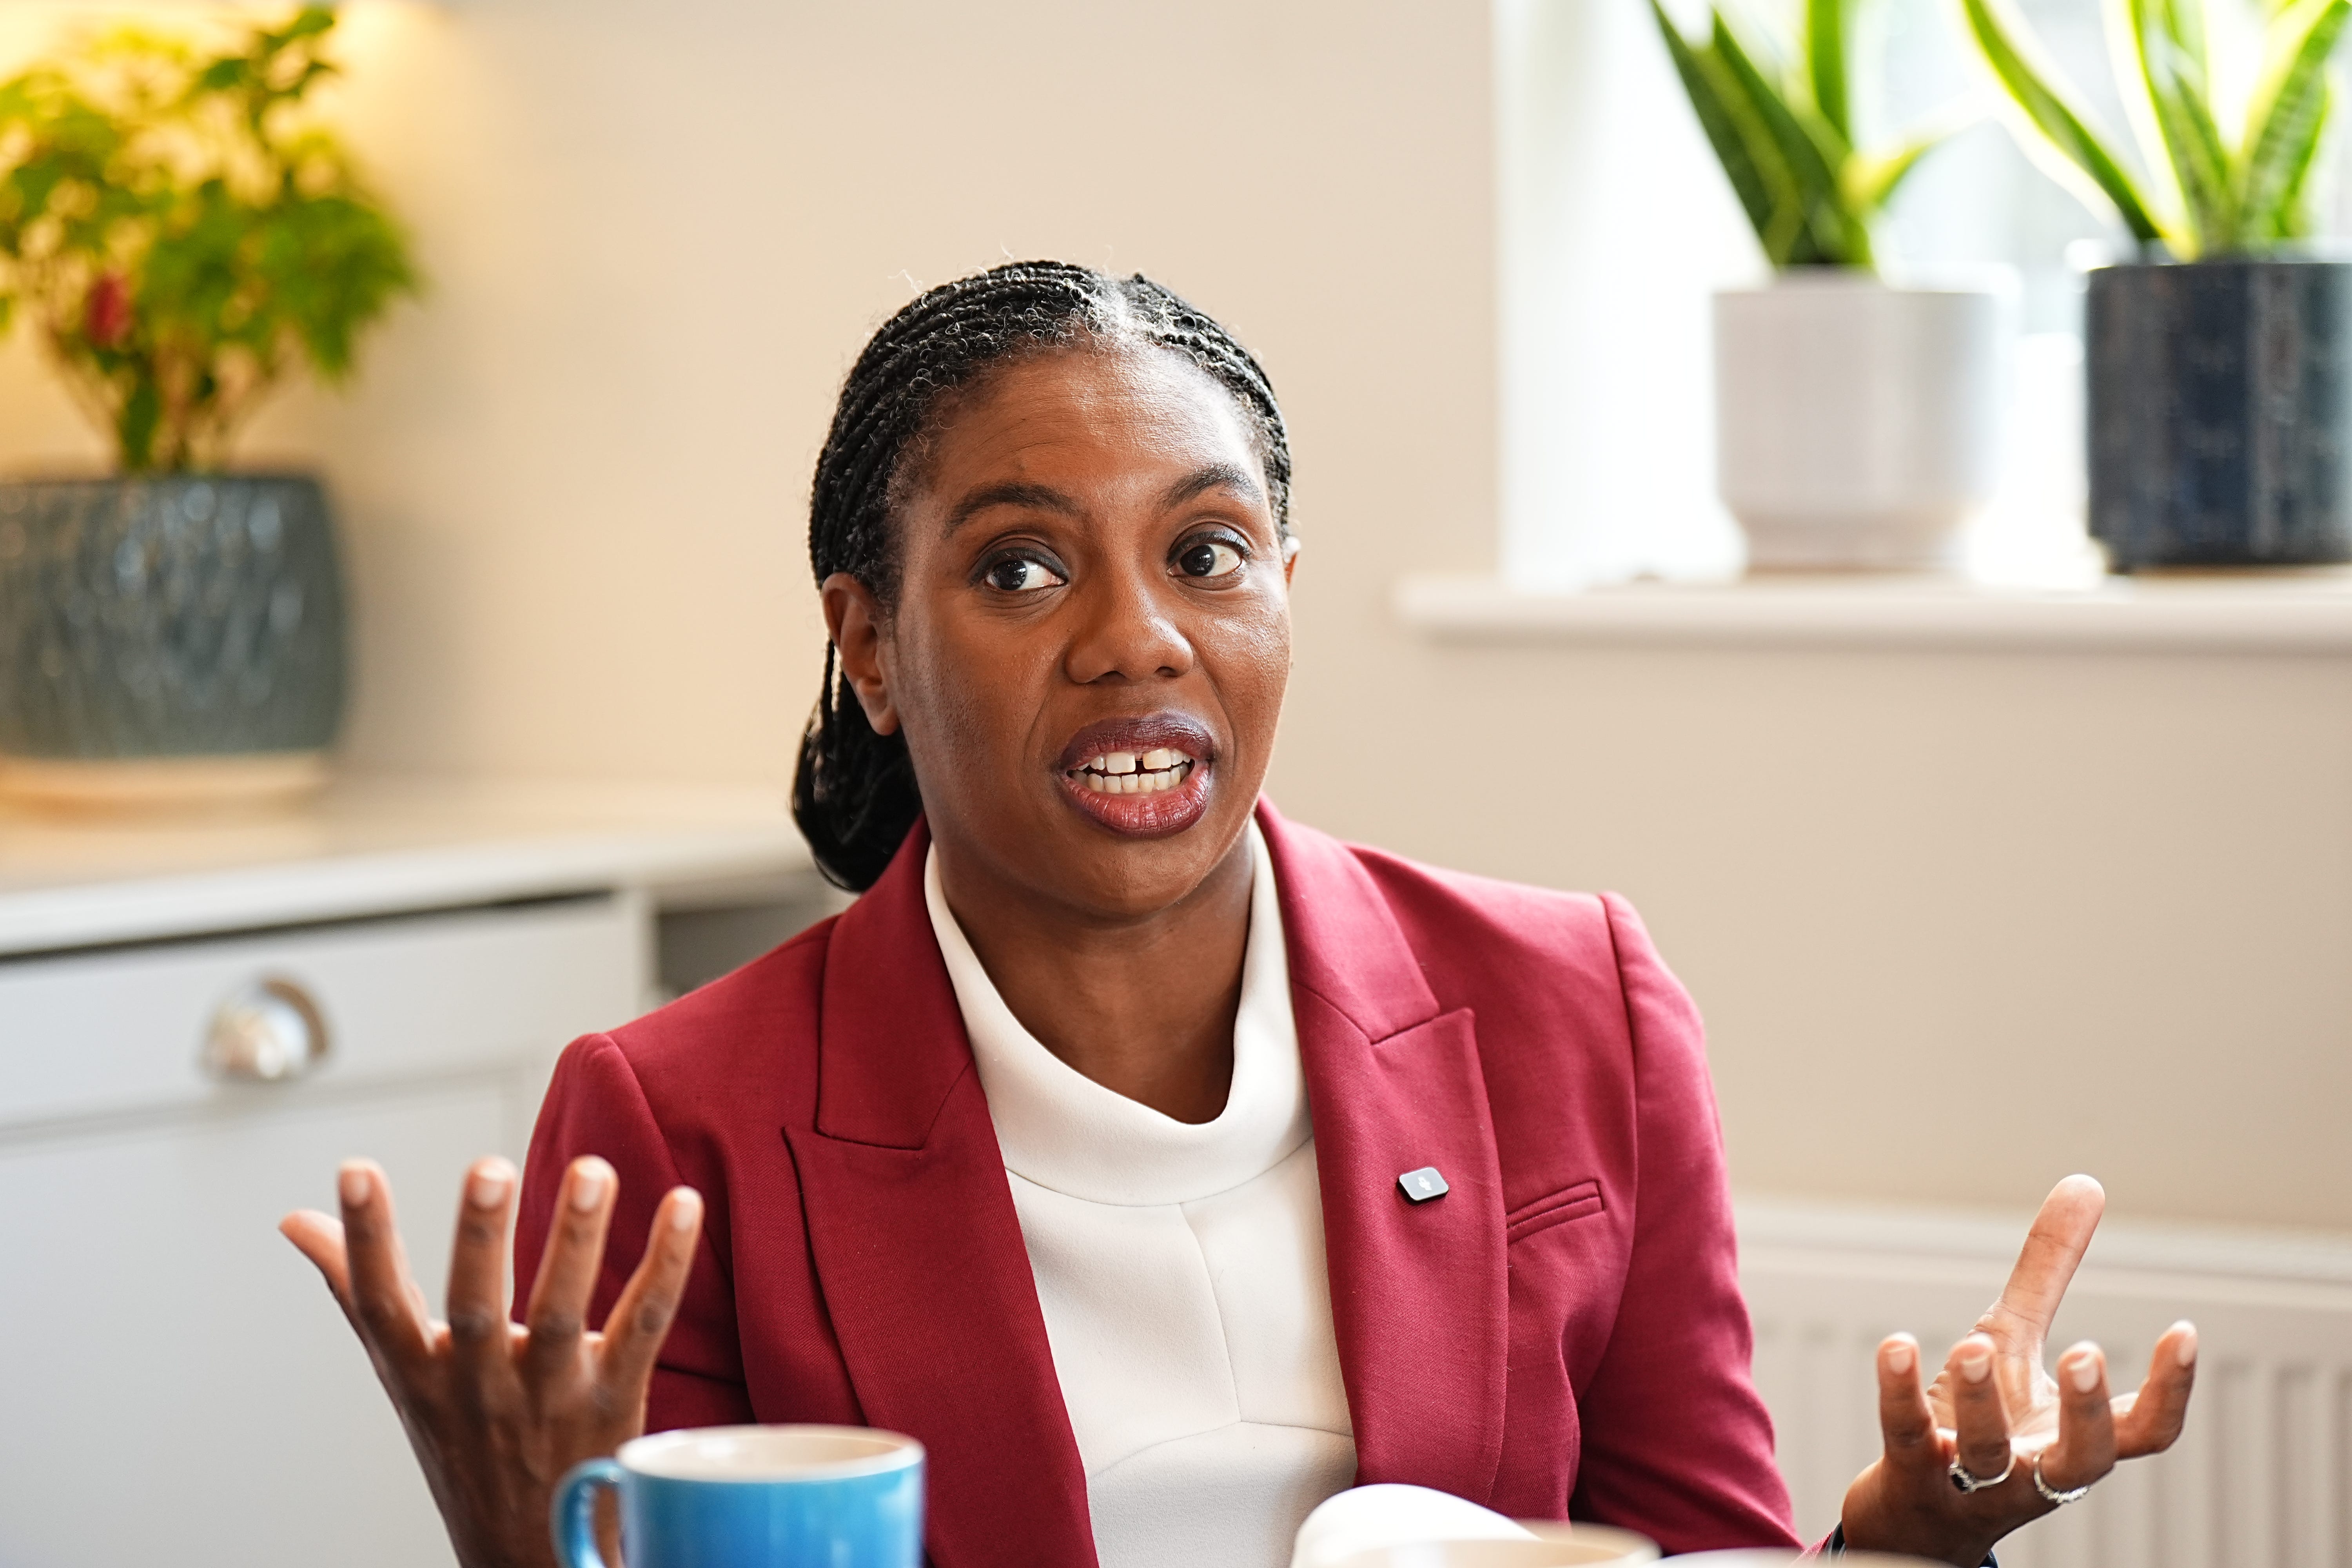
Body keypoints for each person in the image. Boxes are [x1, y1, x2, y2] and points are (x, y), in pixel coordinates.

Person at [281, 261, 2196, 1568]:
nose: (1138, 640)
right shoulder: (677, 1121)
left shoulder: (1574, 1006)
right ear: (867, 643)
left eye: (1207, 552)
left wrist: (1900, 1545)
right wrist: (523, 1547)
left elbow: (1693, 1554)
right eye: (1020, 568)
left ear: (1284, 583)